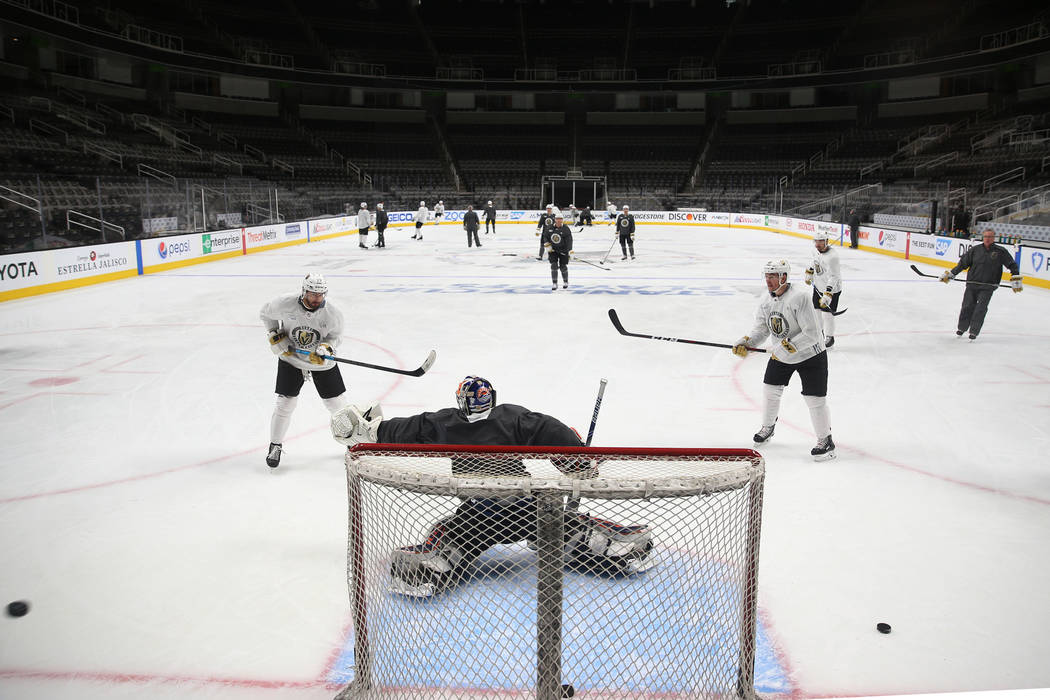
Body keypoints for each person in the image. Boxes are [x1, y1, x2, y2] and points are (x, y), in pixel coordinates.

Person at [330, 376, 656, 597]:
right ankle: (605, 543)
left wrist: (367, 428)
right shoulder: (512, 417)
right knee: (566, 523)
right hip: (527, 508)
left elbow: (401, 430)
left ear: (461, 401)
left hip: (479, 515)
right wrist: (577, 460)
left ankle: (435, 563)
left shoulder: (442, 422)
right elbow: (552, 430)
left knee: (448, 531)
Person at [731, 260, 835, 462]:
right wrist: (747, 342)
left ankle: (826, 440)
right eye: (767, 276)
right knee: (770, 390)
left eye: (772, 276)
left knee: (814, 400)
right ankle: (768, 427)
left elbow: (813, 334)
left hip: (811, 355)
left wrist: (788, 346)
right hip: (783, 355)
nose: (768, 280)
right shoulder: (766, 301)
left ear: (784, 278)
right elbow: (762, 329)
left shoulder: (800, 297)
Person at [260, 273, 347, 469]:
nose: (317, 298)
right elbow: (265, 314)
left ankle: (352, 444)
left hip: (321, 362)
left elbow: (336, 337)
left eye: (320, 294)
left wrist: (326, 348)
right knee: (285, 402)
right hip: (291, 358)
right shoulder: (284, 303)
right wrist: (275, 334)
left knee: (337, 405)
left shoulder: (333, 313)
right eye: (312, 294)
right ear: (303, 291)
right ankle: (275, 445)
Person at [941, 228, 1022, 340]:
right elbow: (962, 264)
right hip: (972, 284)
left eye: (990, 237)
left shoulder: (1000, 251)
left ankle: (974, 331)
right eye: (985, 237)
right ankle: (962, 327)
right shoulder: (975, 250)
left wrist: (1015, 278)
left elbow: (1012, 265)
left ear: (994, 238)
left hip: (988, 286)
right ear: (983, 237)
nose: (987, 239)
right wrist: (950, 274)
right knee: (967, 306)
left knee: (981, 308)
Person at [805, 231, 842, 347]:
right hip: (818, 287)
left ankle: (830, 338)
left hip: (832, 290)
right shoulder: (817, 251)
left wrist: (828, 294)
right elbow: (815, 261)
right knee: (816, 313)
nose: (817, 244)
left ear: (826, 242)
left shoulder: (833, 257)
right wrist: (809, 272)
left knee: (827, 315)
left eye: (820, 241)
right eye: (816, 241)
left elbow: (834, 276)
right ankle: (818, 335)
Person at [543, 213, 573, 290]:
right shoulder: (549, 228)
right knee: (554, 266)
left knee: (563, 267)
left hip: (563, 250)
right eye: (557, 219)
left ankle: (565, 281)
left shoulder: (566, 228)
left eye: (560, 219)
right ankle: (554, 283)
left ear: (562, 220)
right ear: (555, 220)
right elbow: (545, 236)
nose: (558, 220)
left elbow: (569, 240)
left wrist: (570, 250)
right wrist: (547, 244)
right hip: (553, 250)